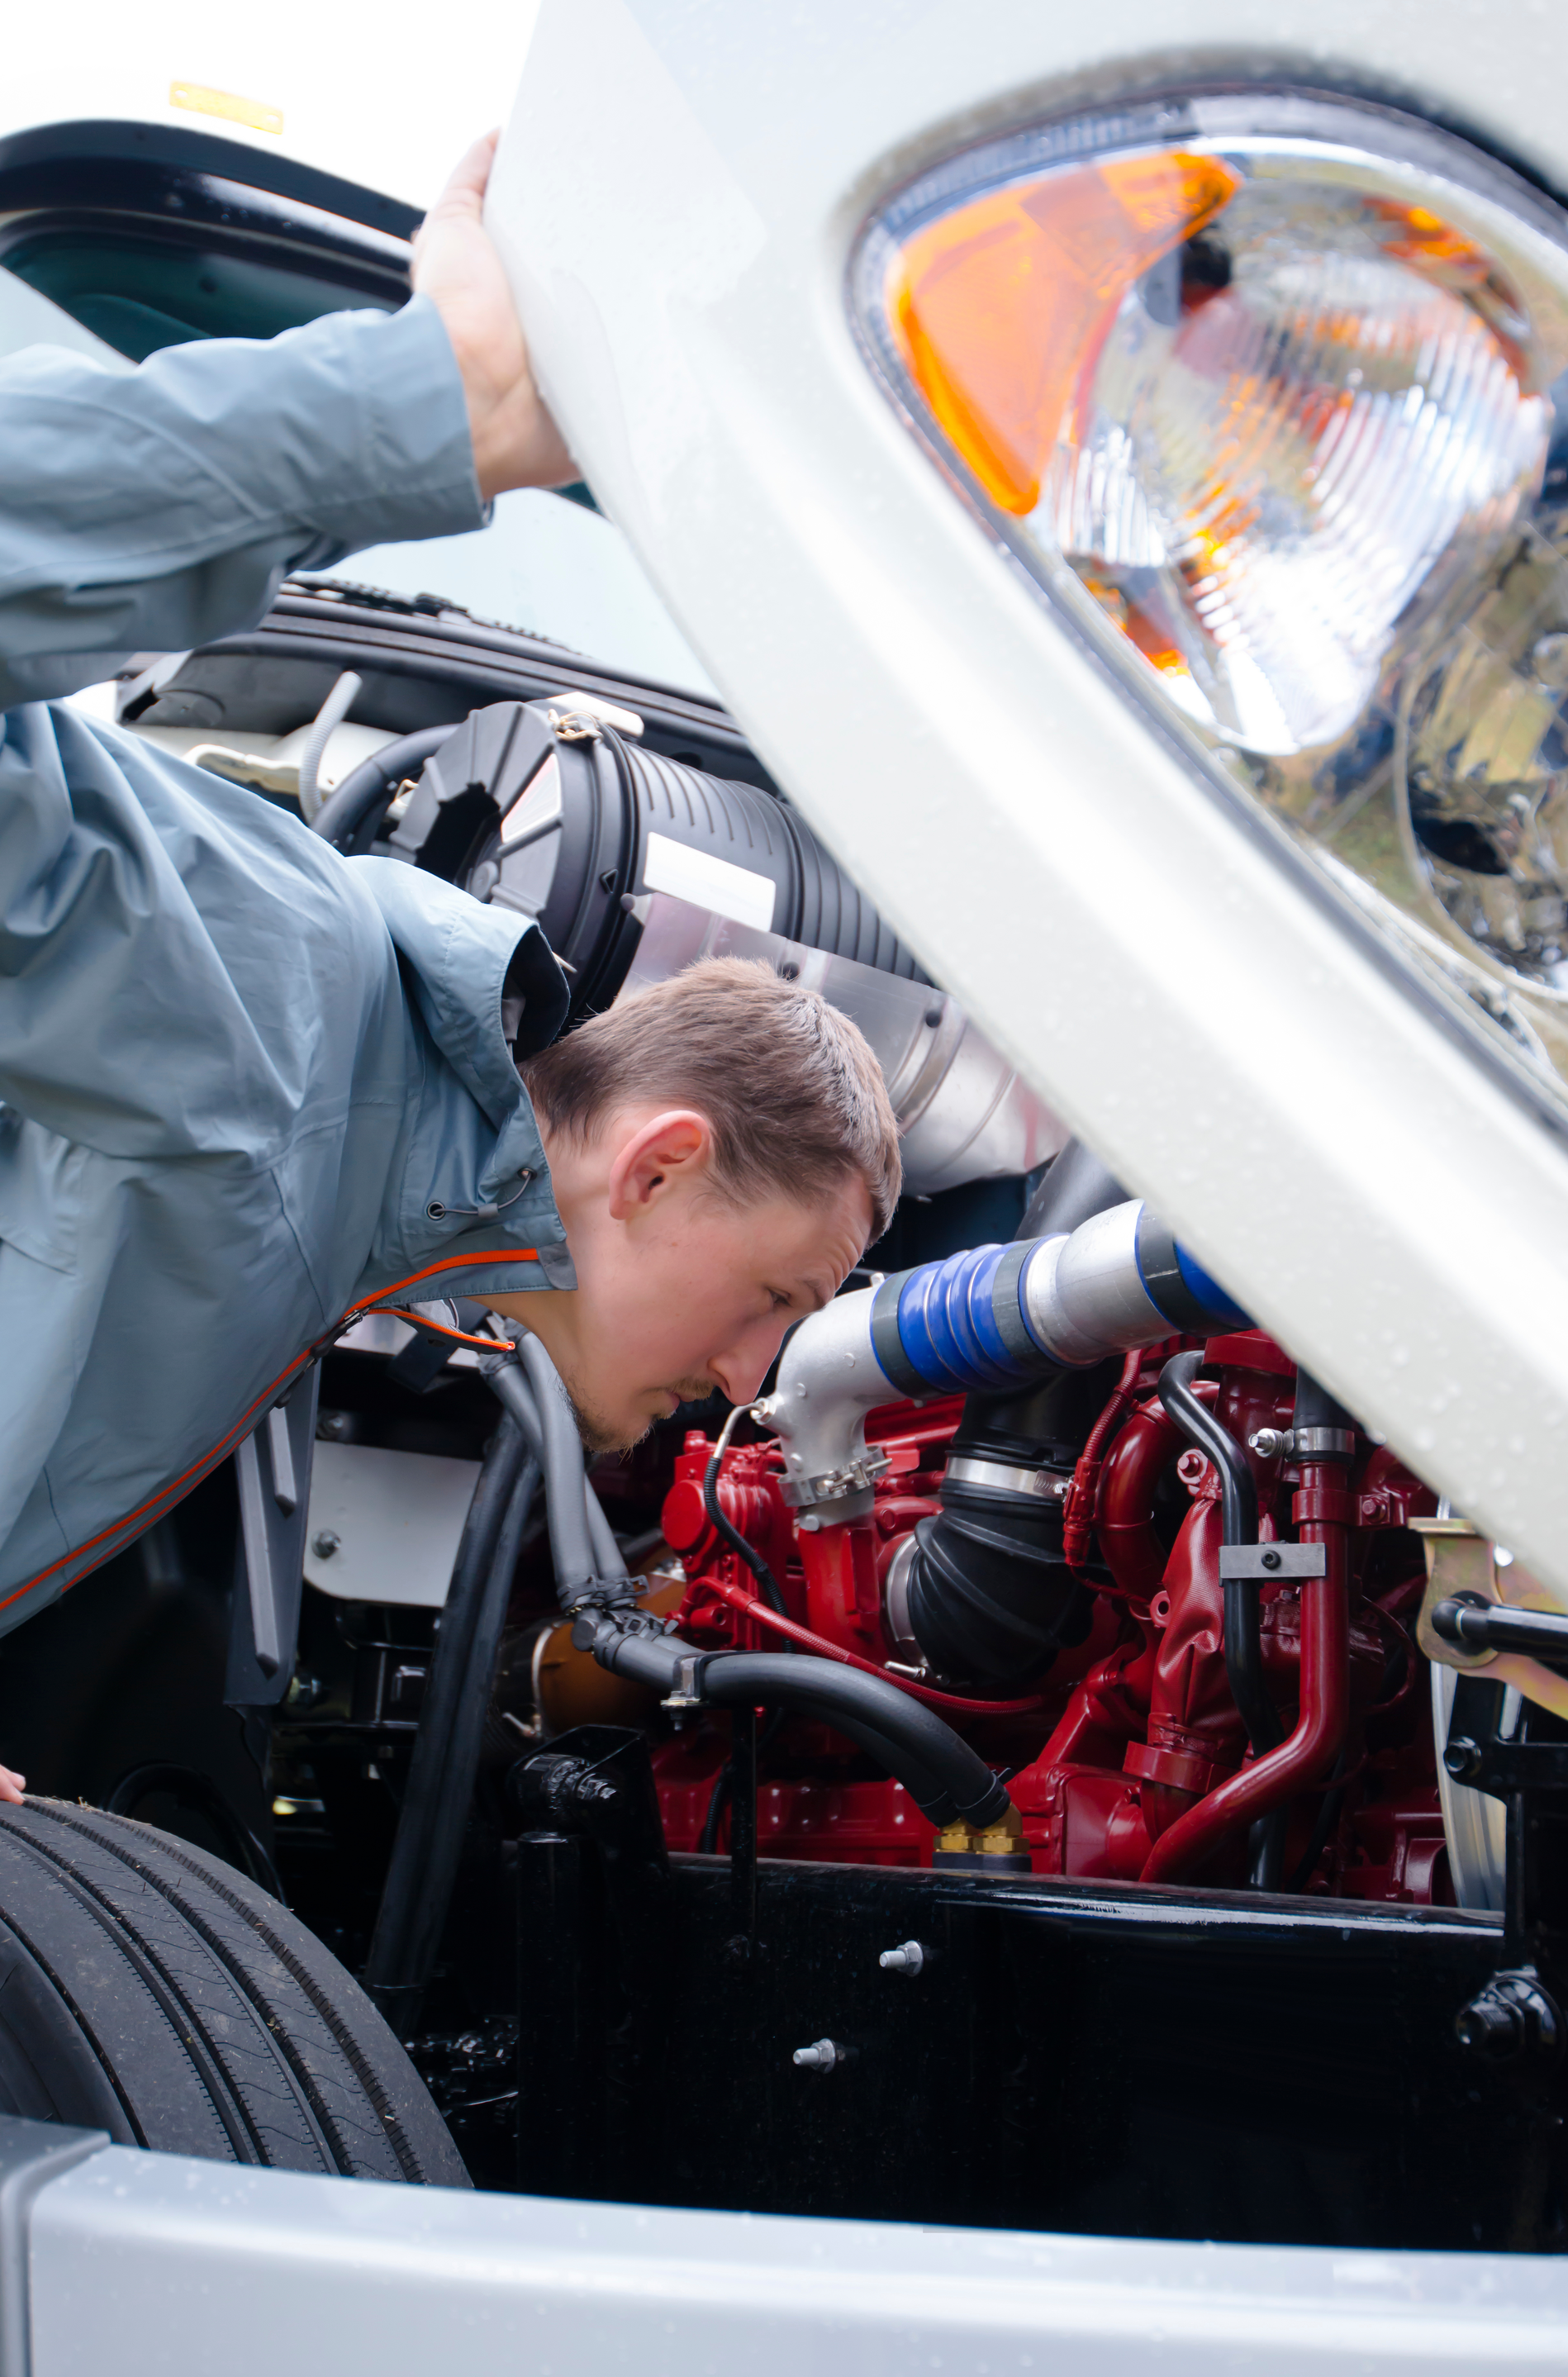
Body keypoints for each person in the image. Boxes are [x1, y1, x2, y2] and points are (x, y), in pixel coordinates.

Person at [0, 137, 900, 1802]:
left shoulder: (356, 1171)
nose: (752, 1382)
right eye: (775, 1299)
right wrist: (428, 412)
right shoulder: (279, 1015)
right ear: (660, 1161)